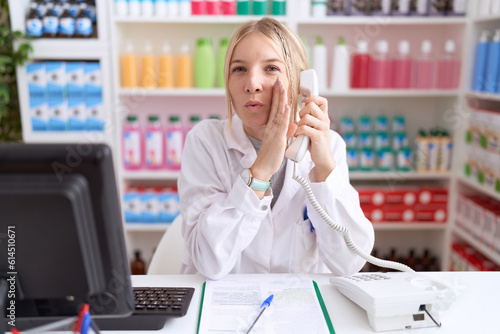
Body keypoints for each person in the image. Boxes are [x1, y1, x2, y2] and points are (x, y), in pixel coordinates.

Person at [178, 17, 374, 280]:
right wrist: (260, 172)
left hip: (299, 307)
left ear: (300, 82)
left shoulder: (330, 146)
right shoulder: (205, 141)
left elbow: (350, 263)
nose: (252, 84)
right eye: (239, 69)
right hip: (224, 307)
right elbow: (208, 261)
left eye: (270, 68)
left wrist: (325, 169)